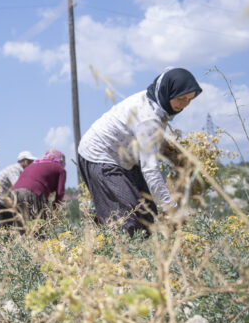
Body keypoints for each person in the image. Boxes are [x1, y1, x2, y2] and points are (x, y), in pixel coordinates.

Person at [77, 68, 202, 235]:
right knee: (128, 221)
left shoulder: (154, 101)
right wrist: (171, 208)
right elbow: (150, 170)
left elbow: (149, 138)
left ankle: (135, 251)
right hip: (100, 156)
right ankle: (107, 246)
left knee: (146, 213)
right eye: (181, 99)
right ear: (167, 91)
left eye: (189, 100)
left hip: (125, 157)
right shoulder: (150, 118)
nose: (184, 105)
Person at [10, 149, 67, 224]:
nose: (64, 164)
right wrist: (54, 209)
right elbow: (60, 192)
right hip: (32, 192)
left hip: (14, 193)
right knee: (39, 225)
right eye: (64, 161)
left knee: (21, 227)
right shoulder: (59, 168)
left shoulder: (34, 164)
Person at [0, 151, 34, 226]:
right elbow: (18, 187)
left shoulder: (20, 171)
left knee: (8, 226)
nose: (31, 164)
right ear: (23, 161)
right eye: (30, 161)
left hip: (2, 202)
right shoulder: (14, 169)